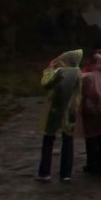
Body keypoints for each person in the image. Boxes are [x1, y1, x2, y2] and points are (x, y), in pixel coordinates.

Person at [36, 50, 82, 182]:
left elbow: (45, 83)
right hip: (71, 110)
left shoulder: (60, 72)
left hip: (55, 109)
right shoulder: (78, 73)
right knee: (68, 141)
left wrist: (49, 68)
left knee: (48, 139)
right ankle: (66, 174)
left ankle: (44, 172)